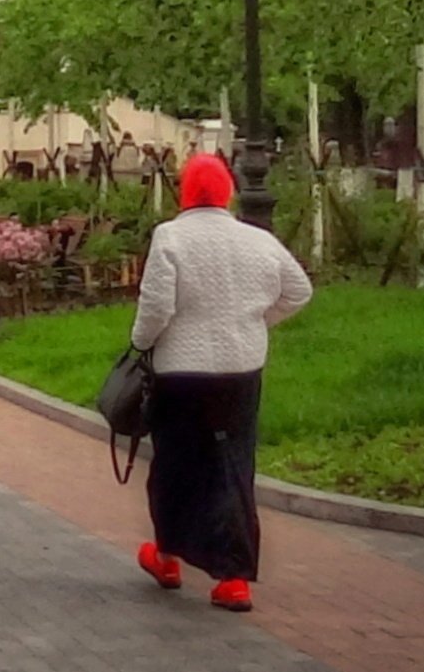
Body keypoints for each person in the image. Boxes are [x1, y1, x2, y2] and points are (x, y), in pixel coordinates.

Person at [128, 151, 313, 614]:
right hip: (240, 371)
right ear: (228, 190)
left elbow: (155, 309)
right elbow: (299, 290)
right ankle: (233, 579)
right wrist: (256, 321)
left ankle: (167, 558)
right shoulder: (258, 240)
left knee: (175, 466)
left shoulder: (170, 237)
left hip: (180, 375)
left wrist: (140, 343)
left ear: (185, 190)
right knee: (232, 469)